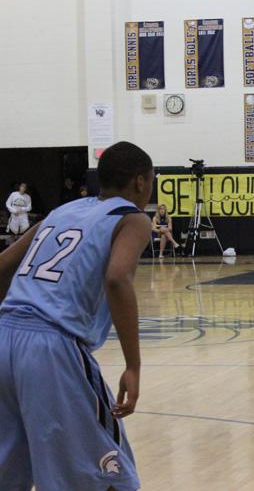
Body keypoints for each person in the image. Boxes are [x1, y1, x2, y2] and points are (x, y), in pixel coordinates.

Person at [0, 141, 153, 490]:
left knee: (10, 469)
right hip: (50, 347)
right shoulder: (132, 217)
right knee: (105, 472)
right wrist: (133, 365)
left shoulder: (63, 212)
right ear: (141, 182)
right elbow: (117, 279)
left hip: (4, 336)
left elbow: (4, 265)